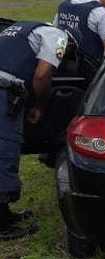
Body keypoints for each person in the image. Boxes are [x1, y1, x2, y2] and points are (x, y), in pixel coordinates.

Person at [0, 21, 68, 240]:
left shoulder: (22, 28)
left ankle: (5, 215)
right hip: (3, 92)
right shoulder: (58, 36)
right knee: (4, 151)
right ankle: (1, 224)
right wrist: (40, 105)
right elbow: (42, 75)